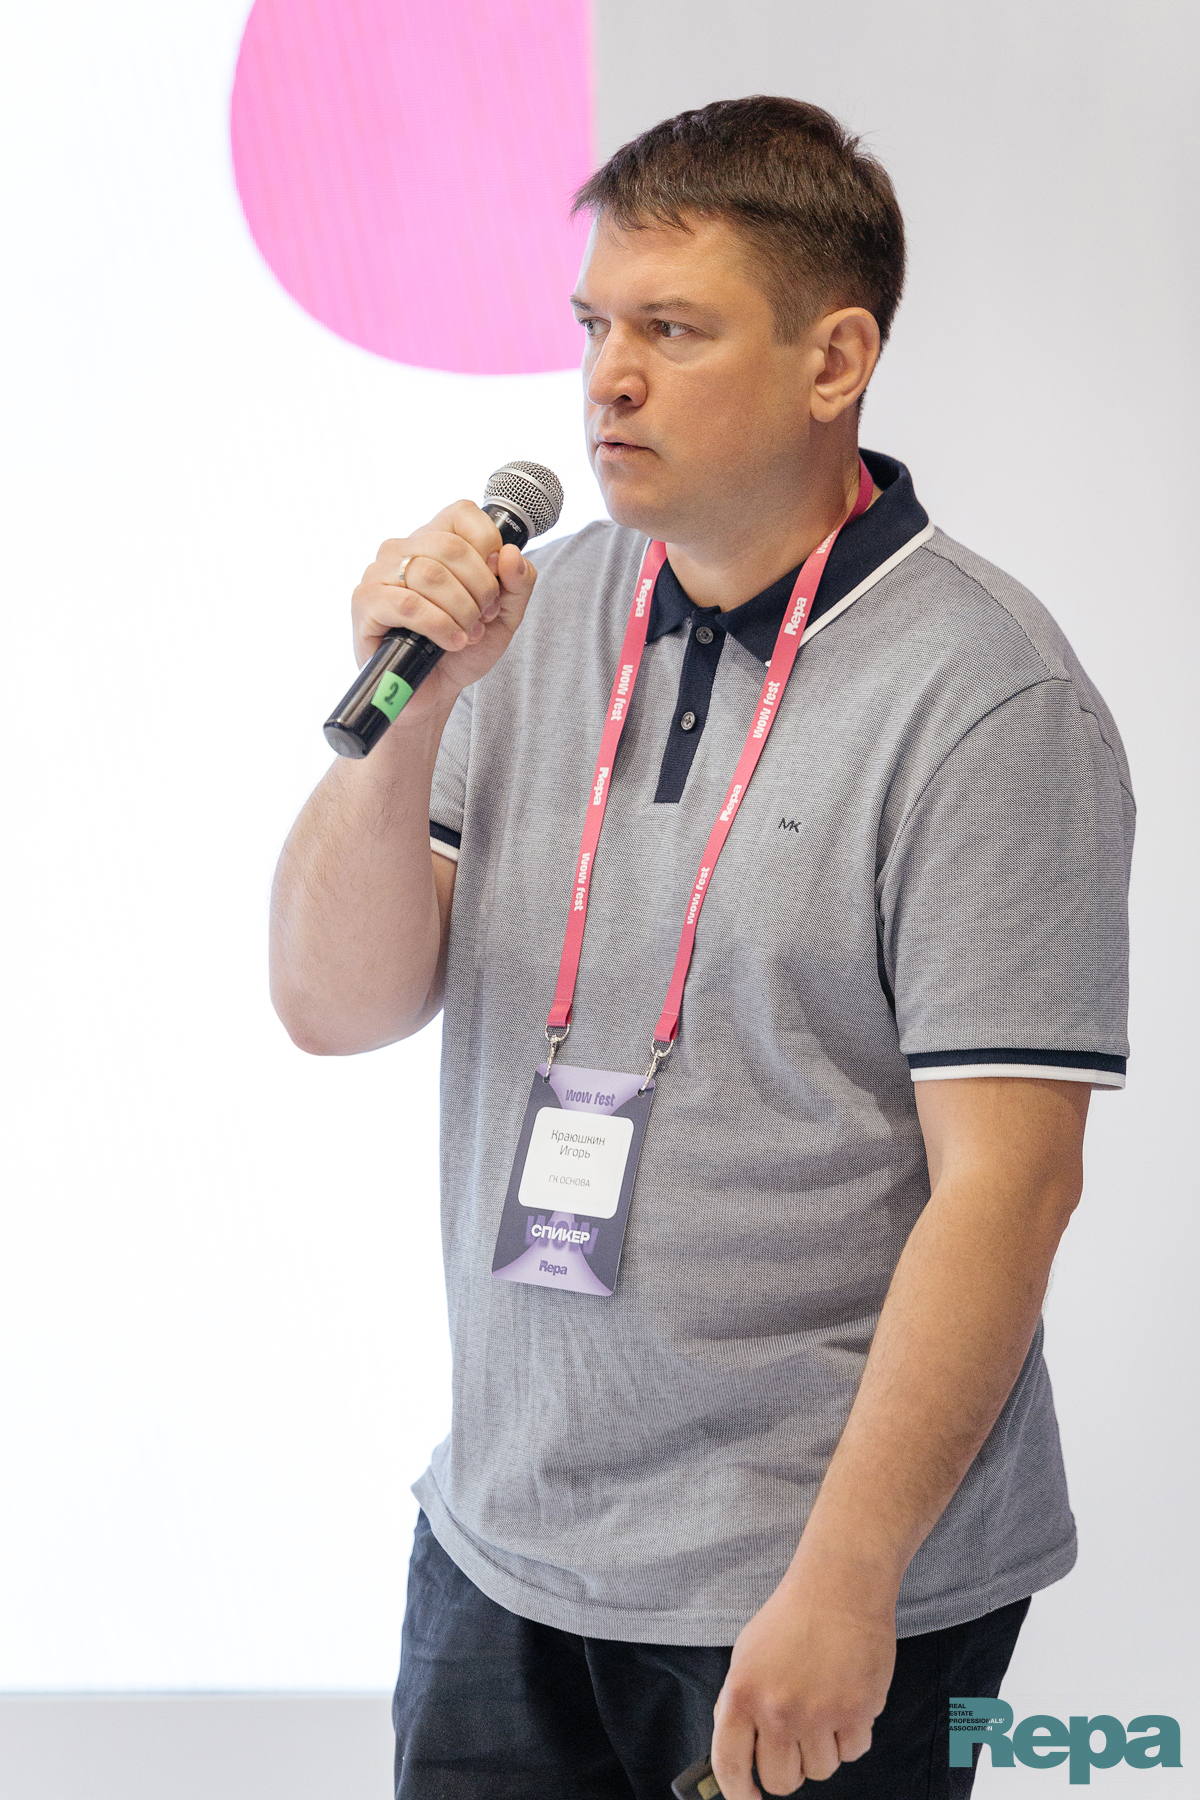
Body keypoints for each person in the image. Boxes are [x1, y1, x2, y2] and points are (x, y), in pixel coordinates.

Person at [270, 97, 1133, 1800]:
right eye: (596, 325)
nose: (608, 380)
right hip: (503, 1549)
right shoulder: (529, 616)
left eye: (671, 331)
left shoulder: (990, 702)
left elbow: (1010, 1190)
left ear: (835, 361)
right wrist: (409, 719)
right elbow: (331, 1003)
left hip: (803, 1590)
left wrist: (847, 1582)